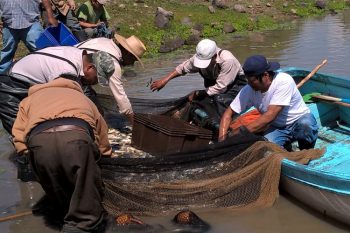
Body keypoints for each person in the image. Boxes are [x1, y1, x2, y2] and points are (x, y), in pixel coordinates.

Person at [12, 77, 112, 233]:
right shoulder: (82, 97)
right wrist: (105, 156)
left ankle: (65, 215)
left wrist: (29, 155)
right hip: (77, 138)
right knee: (87, 207)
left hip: (39, 142)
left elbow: (18, 134)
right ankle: (81, 225)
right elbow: (101, 131)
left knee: (57, 188)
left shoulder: (28, 101)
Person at [0, 46, 115, 135]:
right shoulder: (66, 71)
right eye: (96, 78)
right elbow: (65, 106)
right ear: (89, 68)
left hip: (27, 80)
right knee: (21, 133)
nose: (95, 83)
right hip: (11, 86)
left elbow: (86, 93)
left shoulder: (78, 55)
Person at [219, 55, 318, 150]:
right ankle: (286, 146)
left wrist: (238, 133)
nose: (249, 84)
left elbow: (269, 116)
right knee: (266, 148)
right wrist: (222, 141)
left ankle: (306, 150)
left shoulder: (283, 81)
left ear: (265, 75)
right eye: (247, 80)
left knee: (306, 125)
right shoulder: (249, 89)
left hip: (298, 120)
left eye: (252, 81)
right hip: (277, 127)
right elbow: (228, 114)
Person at [150, 38, 247, 124]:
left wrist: (197, 93)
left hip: (234, 88)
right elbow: (183, 68)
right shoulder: (198, 57)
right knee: (195, 102)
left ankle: (223, 126)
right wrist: (165, 80)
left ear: (214, 56)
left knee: (218, 100)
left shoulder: (227, 60)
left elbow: (220, 87)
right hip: (215, 89)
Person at [75, 34, 146, 123]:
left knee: (94, 102)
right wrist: (135, 124)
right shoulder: (112, 63)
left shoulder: (105, 41)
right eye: (134, 60)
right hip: (73, 75)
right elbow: (121, 98)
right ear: (128, 53)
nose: (132, 63)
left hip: (68, 62)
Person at [0, 0, 58, 74]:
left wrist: (50, 17)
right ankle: (2, 76)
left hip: (31, 23)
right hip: (9, 24)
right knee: (7, 52)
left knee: (41, 50)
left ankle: (49, 73)